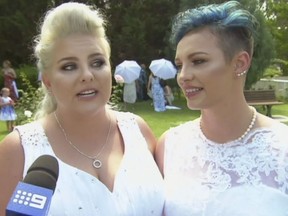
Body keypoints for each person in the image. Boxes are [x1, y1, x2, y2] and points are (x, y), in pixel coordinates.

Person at [0, 3, 164, 215]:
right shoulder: (19, 150)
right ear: (48, 81)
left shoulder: (138, 131)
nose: (87, 75)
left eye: (97, 62)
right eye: (69, 66)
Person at [155, 1, 288, 215]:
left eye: (198, 61)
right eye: (180, 65)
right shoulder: (170, 146)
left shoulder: (283, 148)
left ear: (240, 63)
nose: (183, 76)